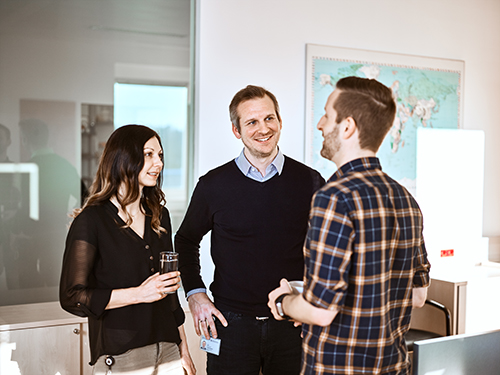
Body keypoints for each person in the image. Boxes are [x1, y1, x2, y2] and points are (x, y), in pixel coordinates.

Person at [268, 77, 431, 375]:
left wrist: (285, 301)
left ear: (347, 127)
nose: (320, 123)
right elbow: (418, 296)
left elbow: (321, 311)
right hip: (393, 367)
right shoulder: (406, 199)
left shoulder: (334, 197)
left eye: (327, 115)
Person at [175, 85, 325, 375]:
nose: (263, 129)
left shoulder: (310, 181)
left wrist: (314, 302)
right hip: (231, 326)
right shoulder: (213, 185)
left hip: (292, 324)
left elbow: (328, 248)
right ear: (236, 130)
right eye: (252, 122)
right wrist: (195, 294)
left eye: (269, 119)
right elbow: (185, 239)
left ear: (280, 122)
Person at [60, 125, 196, 375]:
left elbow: (169, 296)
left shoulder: (160, 216)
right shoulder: (92, 221)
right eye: (149, 154)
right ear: (123, 158)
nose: (159, 163)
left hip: (168, 349)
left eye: (161, 155)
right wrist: (139, 294)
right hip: (121, 355)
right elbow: (72, 296)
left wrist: (183, 349)